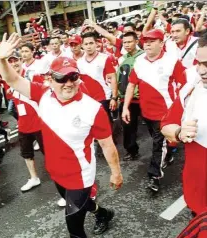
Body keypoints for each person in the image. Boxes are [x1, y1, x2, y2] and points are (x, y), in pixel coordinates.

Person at [0, 33, 123, 238]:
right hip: (55, 171)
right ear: (49, 79)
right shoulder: (43, 95)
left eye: (73, 76)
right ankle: (102, 213)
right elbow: (12, 79)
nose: (68, 83)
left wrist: (116, 173)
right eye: (61, 78)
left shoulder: (92, 109)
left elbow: (107, 145)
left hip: (80, 176)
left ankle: (98, 215)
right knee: (80, 204)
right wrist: (1, 59)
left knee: (74, 228)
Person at [122, 29, 187, 192]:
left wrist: (182, 109)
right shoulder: (139, 62)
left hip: (166, 112)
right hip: (147, 112)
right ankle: (170, 151)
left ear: (161, 43)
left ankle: (154, 176)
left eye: (152, 41)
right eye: (146, 41)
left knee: (158, 144)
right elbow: (131, 85)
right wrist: (125, 107)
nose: (148, 44)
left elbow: (184, 85)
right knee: (161, 141)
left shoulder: (172, 61)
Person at [161, 31, 207, 215]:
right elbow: (166, 124)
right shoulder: (191, 90)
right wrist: (179, 132)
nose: (201, 70)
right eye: (199, 63)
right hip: (198, 196)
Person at [7, 50, 44, 191]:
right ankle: (34, 178)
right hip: (23, 124)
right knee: (27, 153)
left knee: (50, 154)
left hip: (40, 122)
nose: (13, 64)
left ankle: (61, 181)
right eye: (9, 62)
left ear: (21, 60)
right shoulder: (9, 80)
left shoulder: (32, 75)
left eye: (15, 60)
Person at [78, 32, 118, 123]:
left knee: (106, 123)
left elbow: (113, 78)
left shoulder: (104, 58)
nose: (89, 46)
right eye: (86, 44)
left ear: (96, 44)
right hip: (88, 99)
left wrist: (114, 97)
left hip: (103, 97)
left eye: (91, 43)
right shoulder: (79, 62)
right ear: (82, 46)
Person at [117, 32, 144, 161]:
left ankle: (165, 150)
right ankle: (131, 151)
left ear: (136, 42)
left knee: (153, 127)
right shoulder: (122, 59)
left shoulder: (144, 56)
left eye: (129, 42)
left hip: (144, 97)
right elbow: (119, 78)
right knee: (127, 126)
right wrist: (116, 96)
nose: (127, 45)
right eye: (124, 42)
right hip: (127, 99)